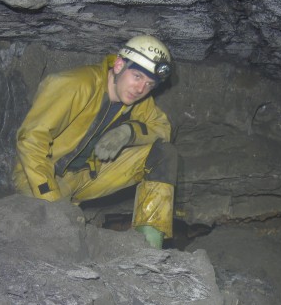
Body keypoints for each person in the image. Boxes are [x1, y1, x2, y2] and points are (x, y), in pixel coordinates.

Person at [12, 35, 177, 249]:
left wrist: (128, 132)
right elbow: (30, 140)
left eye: (149, 84)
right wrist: (50, 200)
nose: (140, 89)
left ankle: (149, 248)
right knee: (54, 240)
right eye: (137, 76)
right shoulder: (75, 85)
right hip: (43, 176)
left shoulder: (138, 99)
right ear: (119, 65)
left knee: (163, 154)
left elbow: (162, 128)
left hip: (86, 176)